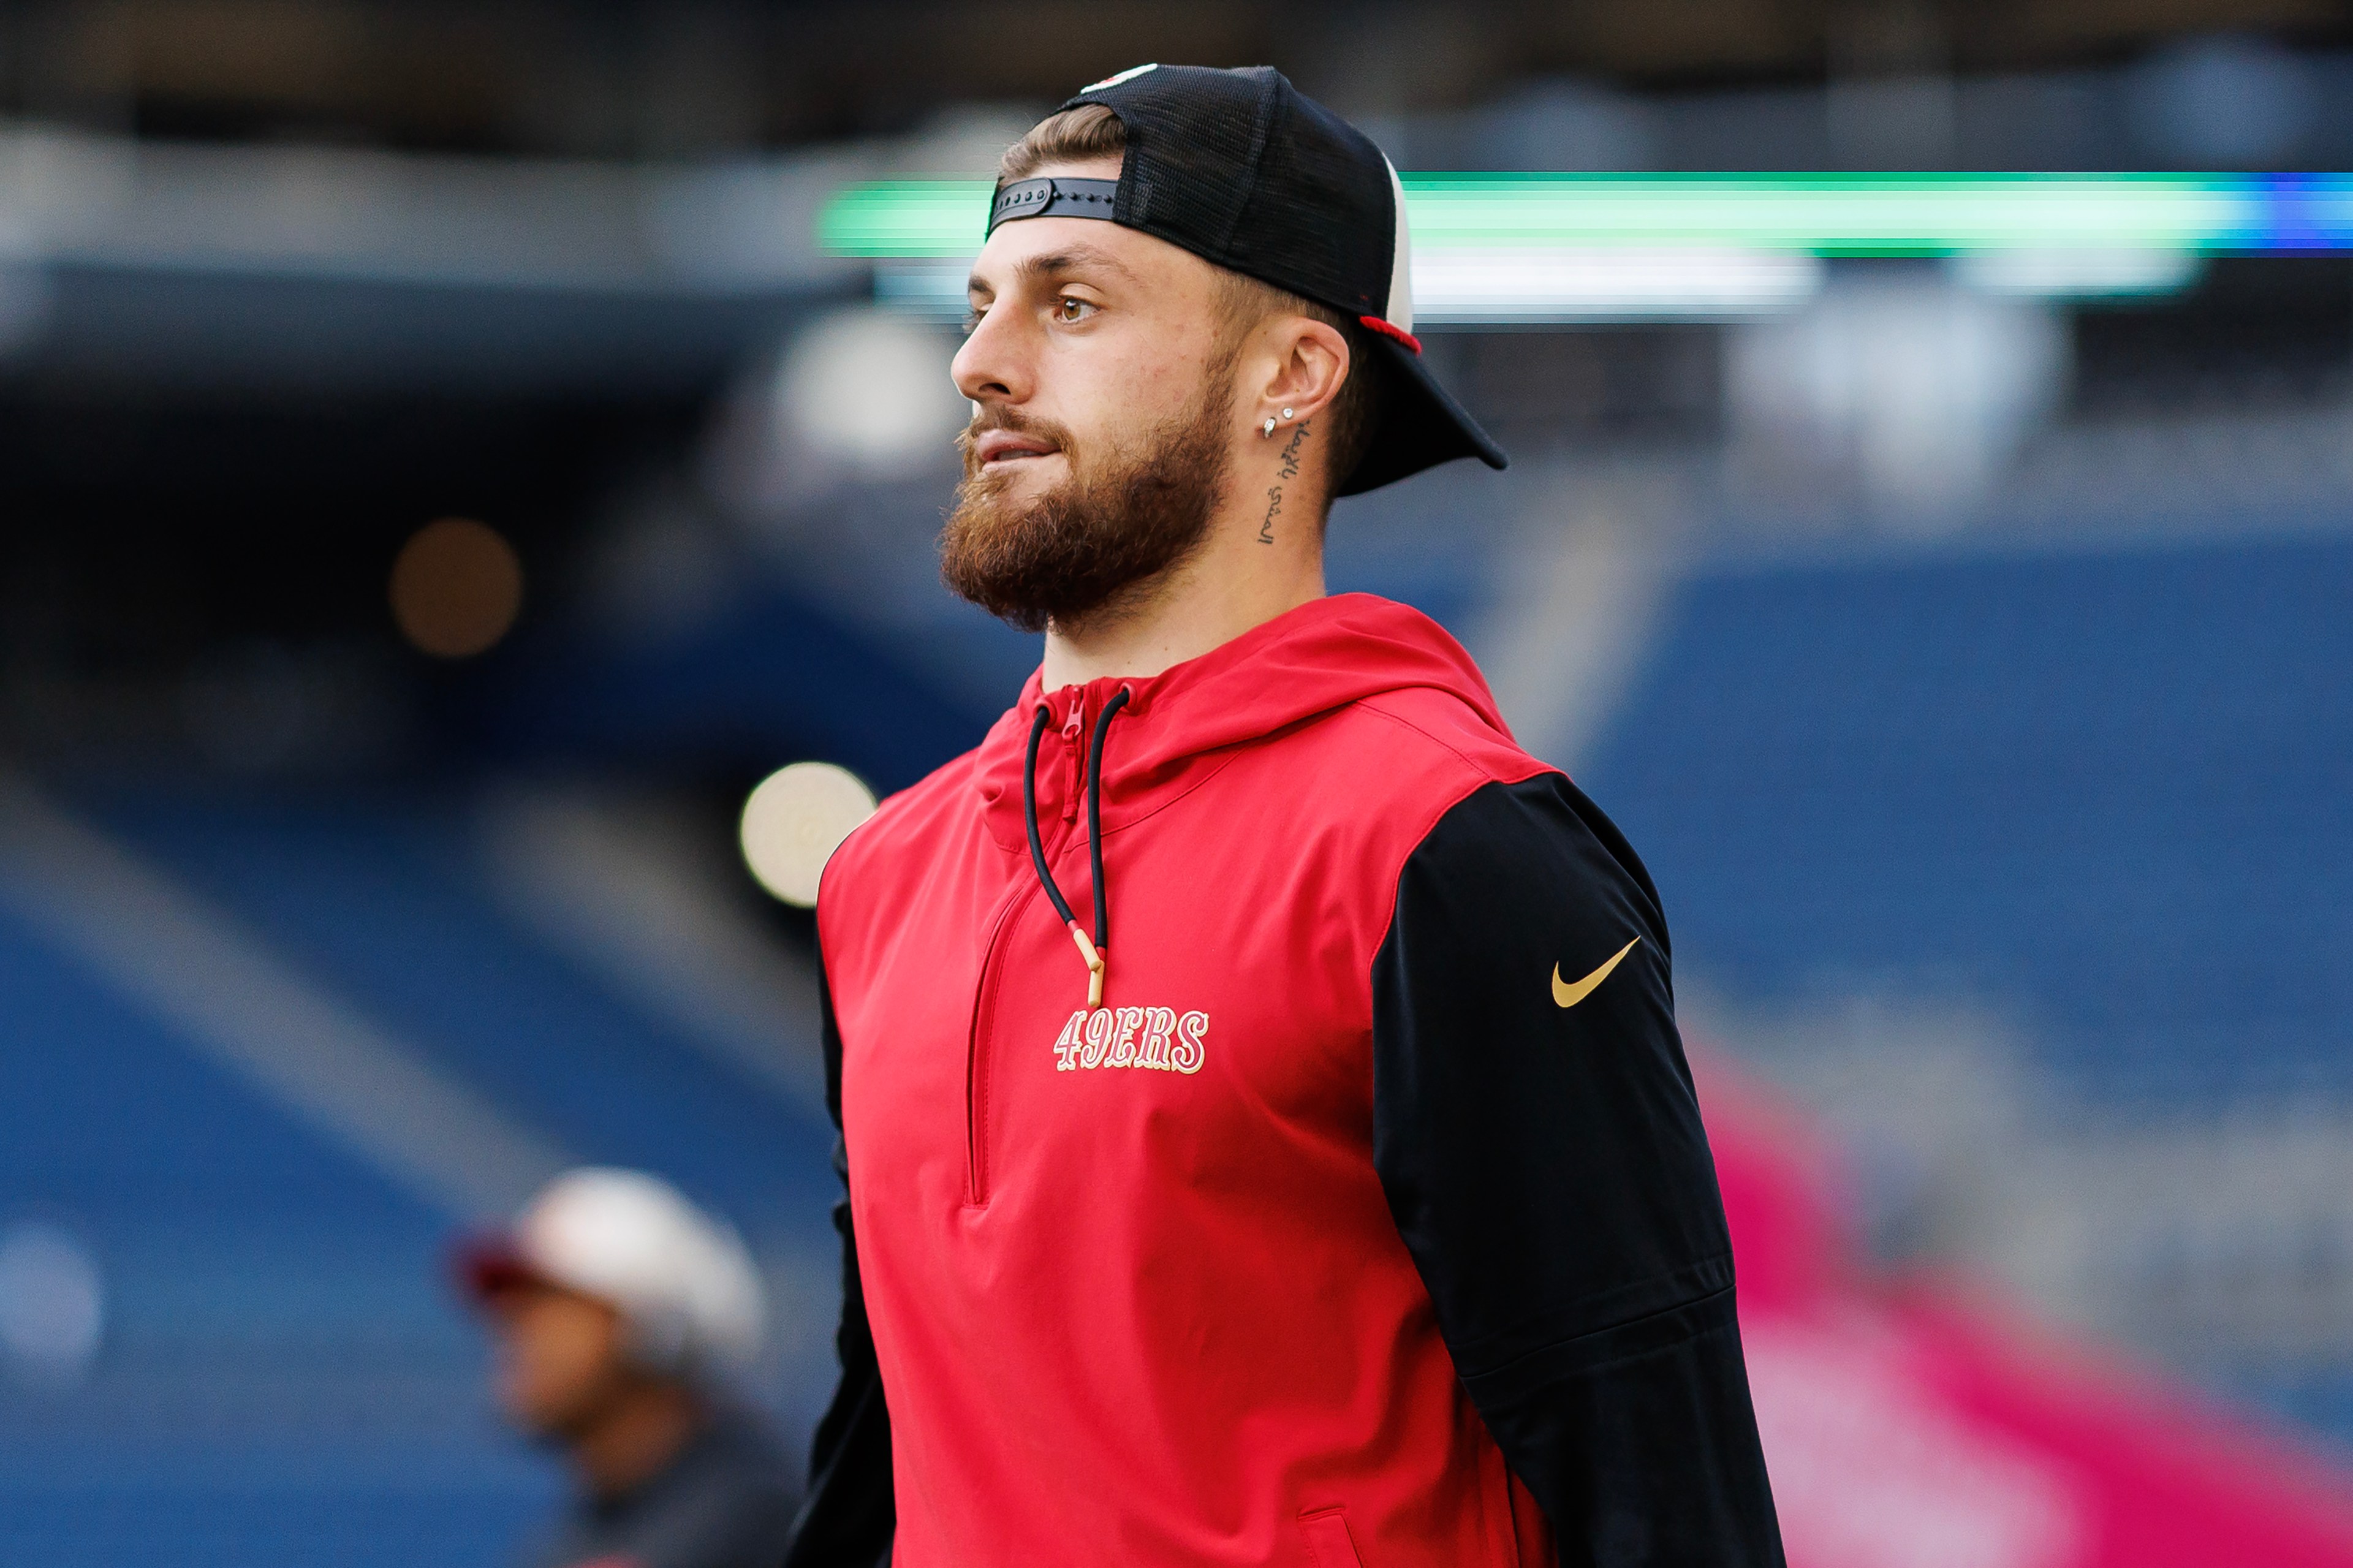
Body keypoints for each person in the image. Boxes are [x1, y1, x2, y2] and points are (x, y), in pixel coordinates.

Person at [786, 64, 1784, 1568]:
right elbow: (881, 1462)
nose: (977, 363)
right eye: (982, 300)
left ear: (1291, 374)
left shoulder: (1450, 850)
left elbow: (1662, 1491)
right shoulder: (878, 876)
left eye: (1072, 304)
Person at [457, 1167, 800, 1568]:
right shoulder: (585, 1530)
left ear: (655, 1331)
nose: (515, 1329)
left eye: (550, 1302)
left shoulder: (754, 1517)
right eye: (515, 1309)